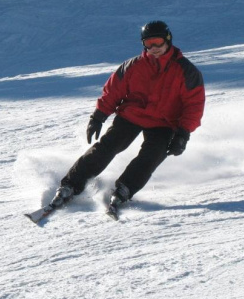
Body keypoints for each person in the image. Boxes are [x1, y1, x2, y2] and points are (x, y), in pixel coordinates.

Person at [50, 20, 206, 212]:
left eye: (157, 42)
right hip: (132, 115)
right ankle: (70, 185)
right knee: (108, 146)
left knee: (152, 155)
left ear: (168, 40)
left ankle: (124, 188)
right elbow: (113, 92)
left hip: (164, 122)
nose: (154, 48)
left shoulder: (186, 71)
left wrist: (183, 134)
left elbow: (194, 105)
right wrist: (98, 116)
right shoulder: (133, 66)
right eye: (149, 44)